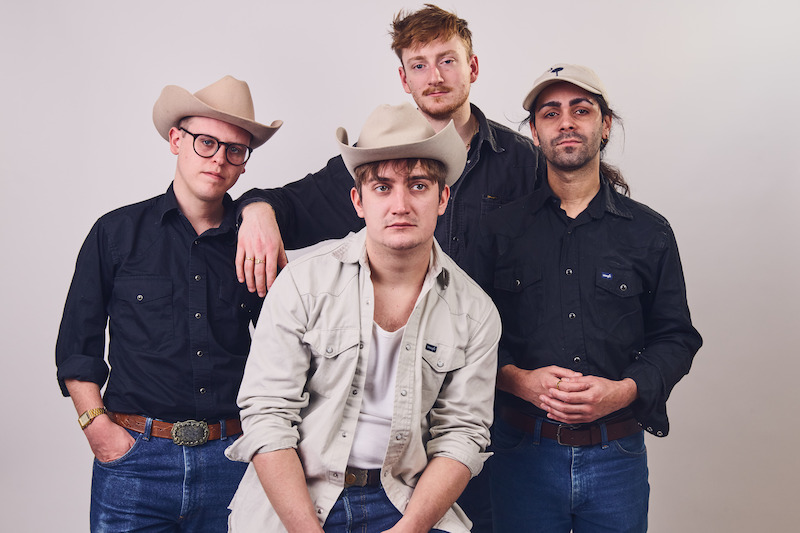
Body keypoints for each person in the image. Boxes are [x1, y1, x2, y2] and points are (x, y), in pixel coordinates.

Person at [235, 7, 542, 528]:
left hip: (477, 399)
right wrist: (257, 208)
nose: (435, 76)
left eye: (448, 60)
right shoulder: (371, 159)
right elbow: (293, 204)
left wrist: (524, 375)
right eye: (419, 65)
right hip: (326, 471)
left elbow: (559, 254)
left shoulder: (523, 162)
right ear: (359, 198)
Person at [224, 102, 501, 533]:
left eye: (419, 185)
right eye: (382, 187)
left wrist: (410, 528)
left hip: (406, 501)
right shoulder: (302, 284)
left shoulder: (474, 311)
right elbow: (267, 415)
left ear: (443, 198)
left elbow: (462, 435)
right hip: (299, 500)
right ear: (358, 200)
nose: (401, 205)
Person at [473, 64, 703, 532]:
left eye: (581, 110)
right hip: (521, 457)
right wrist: (518, 380)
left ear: (606, 125)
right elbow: (468, 337)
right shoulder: (499, 231)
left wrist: (624, 390)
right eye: (550, 113)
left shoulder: (649, 232)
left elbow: (676, 338)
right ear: (535, 133)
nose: (566, 122)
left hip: (617, 456)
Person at [55, 76, 282, 531]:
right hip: (134, 460)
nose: (219, 159)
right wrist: (98, 429)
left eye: (235, 150)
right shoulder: (115, 233)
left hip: (233, 460)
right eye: (206, 142)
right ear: (177, 140)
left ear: (243, 165)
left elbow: (284, 353)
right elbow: (77, 346)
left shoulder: (255, 244)